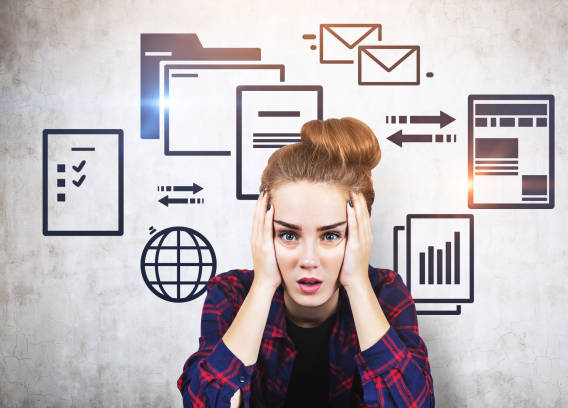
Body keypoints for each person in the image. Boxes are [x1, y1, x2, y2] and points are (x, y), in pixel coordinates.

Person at [177, 117, 434, 407]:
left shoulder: (385, 293)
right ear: (264, 231)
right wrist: (263, 285)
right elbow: (204, 402)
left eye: (331, 235)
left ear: (359, 234)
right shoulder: (231, 293)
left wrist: (358, 283)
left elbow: (415, 404)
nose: (309, 260)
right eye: (288, 235)